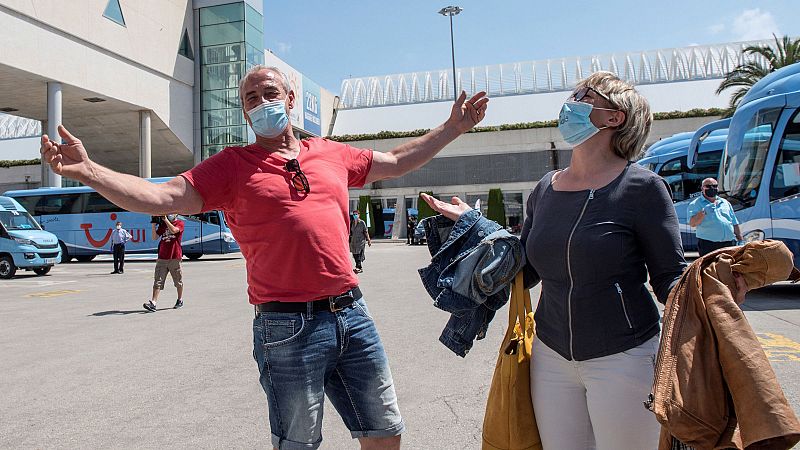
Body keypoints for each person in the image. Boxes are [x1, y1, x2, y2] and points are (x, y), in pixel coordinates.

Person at [40, 64, 488, 450]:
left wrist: (453, 128)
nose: (260, 102)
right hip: (286, 326)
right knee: (298, 443)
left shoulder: (330, 153)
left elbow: (395, 159)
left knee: (384, 431)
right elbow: (161, 195)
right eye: (249, 98)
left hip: (353, 314)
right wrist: (88, 170)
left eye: (268, 93)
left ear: (290, 99)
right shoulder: (231, 166)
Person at [422, 71, 686, 450]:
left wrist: (712, 293)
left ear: (614, 117)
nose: (570, 102)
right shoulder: (546, 187)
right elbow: (525, 269)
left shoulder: (643, 188)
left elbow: (669, 277)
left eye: (583, 95)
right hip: (550, 357)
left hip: (625, 357)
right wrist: (475, 226)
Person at [688, 177, 743, 256]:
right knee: (710, 267)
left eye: (715, 186)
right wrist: (703, 212)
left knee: (730, 267)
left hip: (729, 243)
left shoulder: (725, 202)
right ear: (702, 188)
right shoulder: (695, 204)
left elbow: (734, 222)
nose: (712, 188)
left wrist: (740, 240)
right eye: (708, 186)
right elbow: (692, 223)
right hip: (709, 245)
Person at [143, 214, 184, 312]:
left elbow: (174, 230)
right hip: (162, 257)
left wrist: (165, 220)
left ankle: (180, 299)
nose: (169, 214)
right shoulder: (163, 225)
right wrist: (153, 225)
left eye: (171, 213)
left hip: (174, 256)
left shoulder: (180, 223)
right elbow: (154, 237)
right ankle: (153, 303)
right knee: (158, 280)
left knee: (178, 281)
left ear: (176, 214)